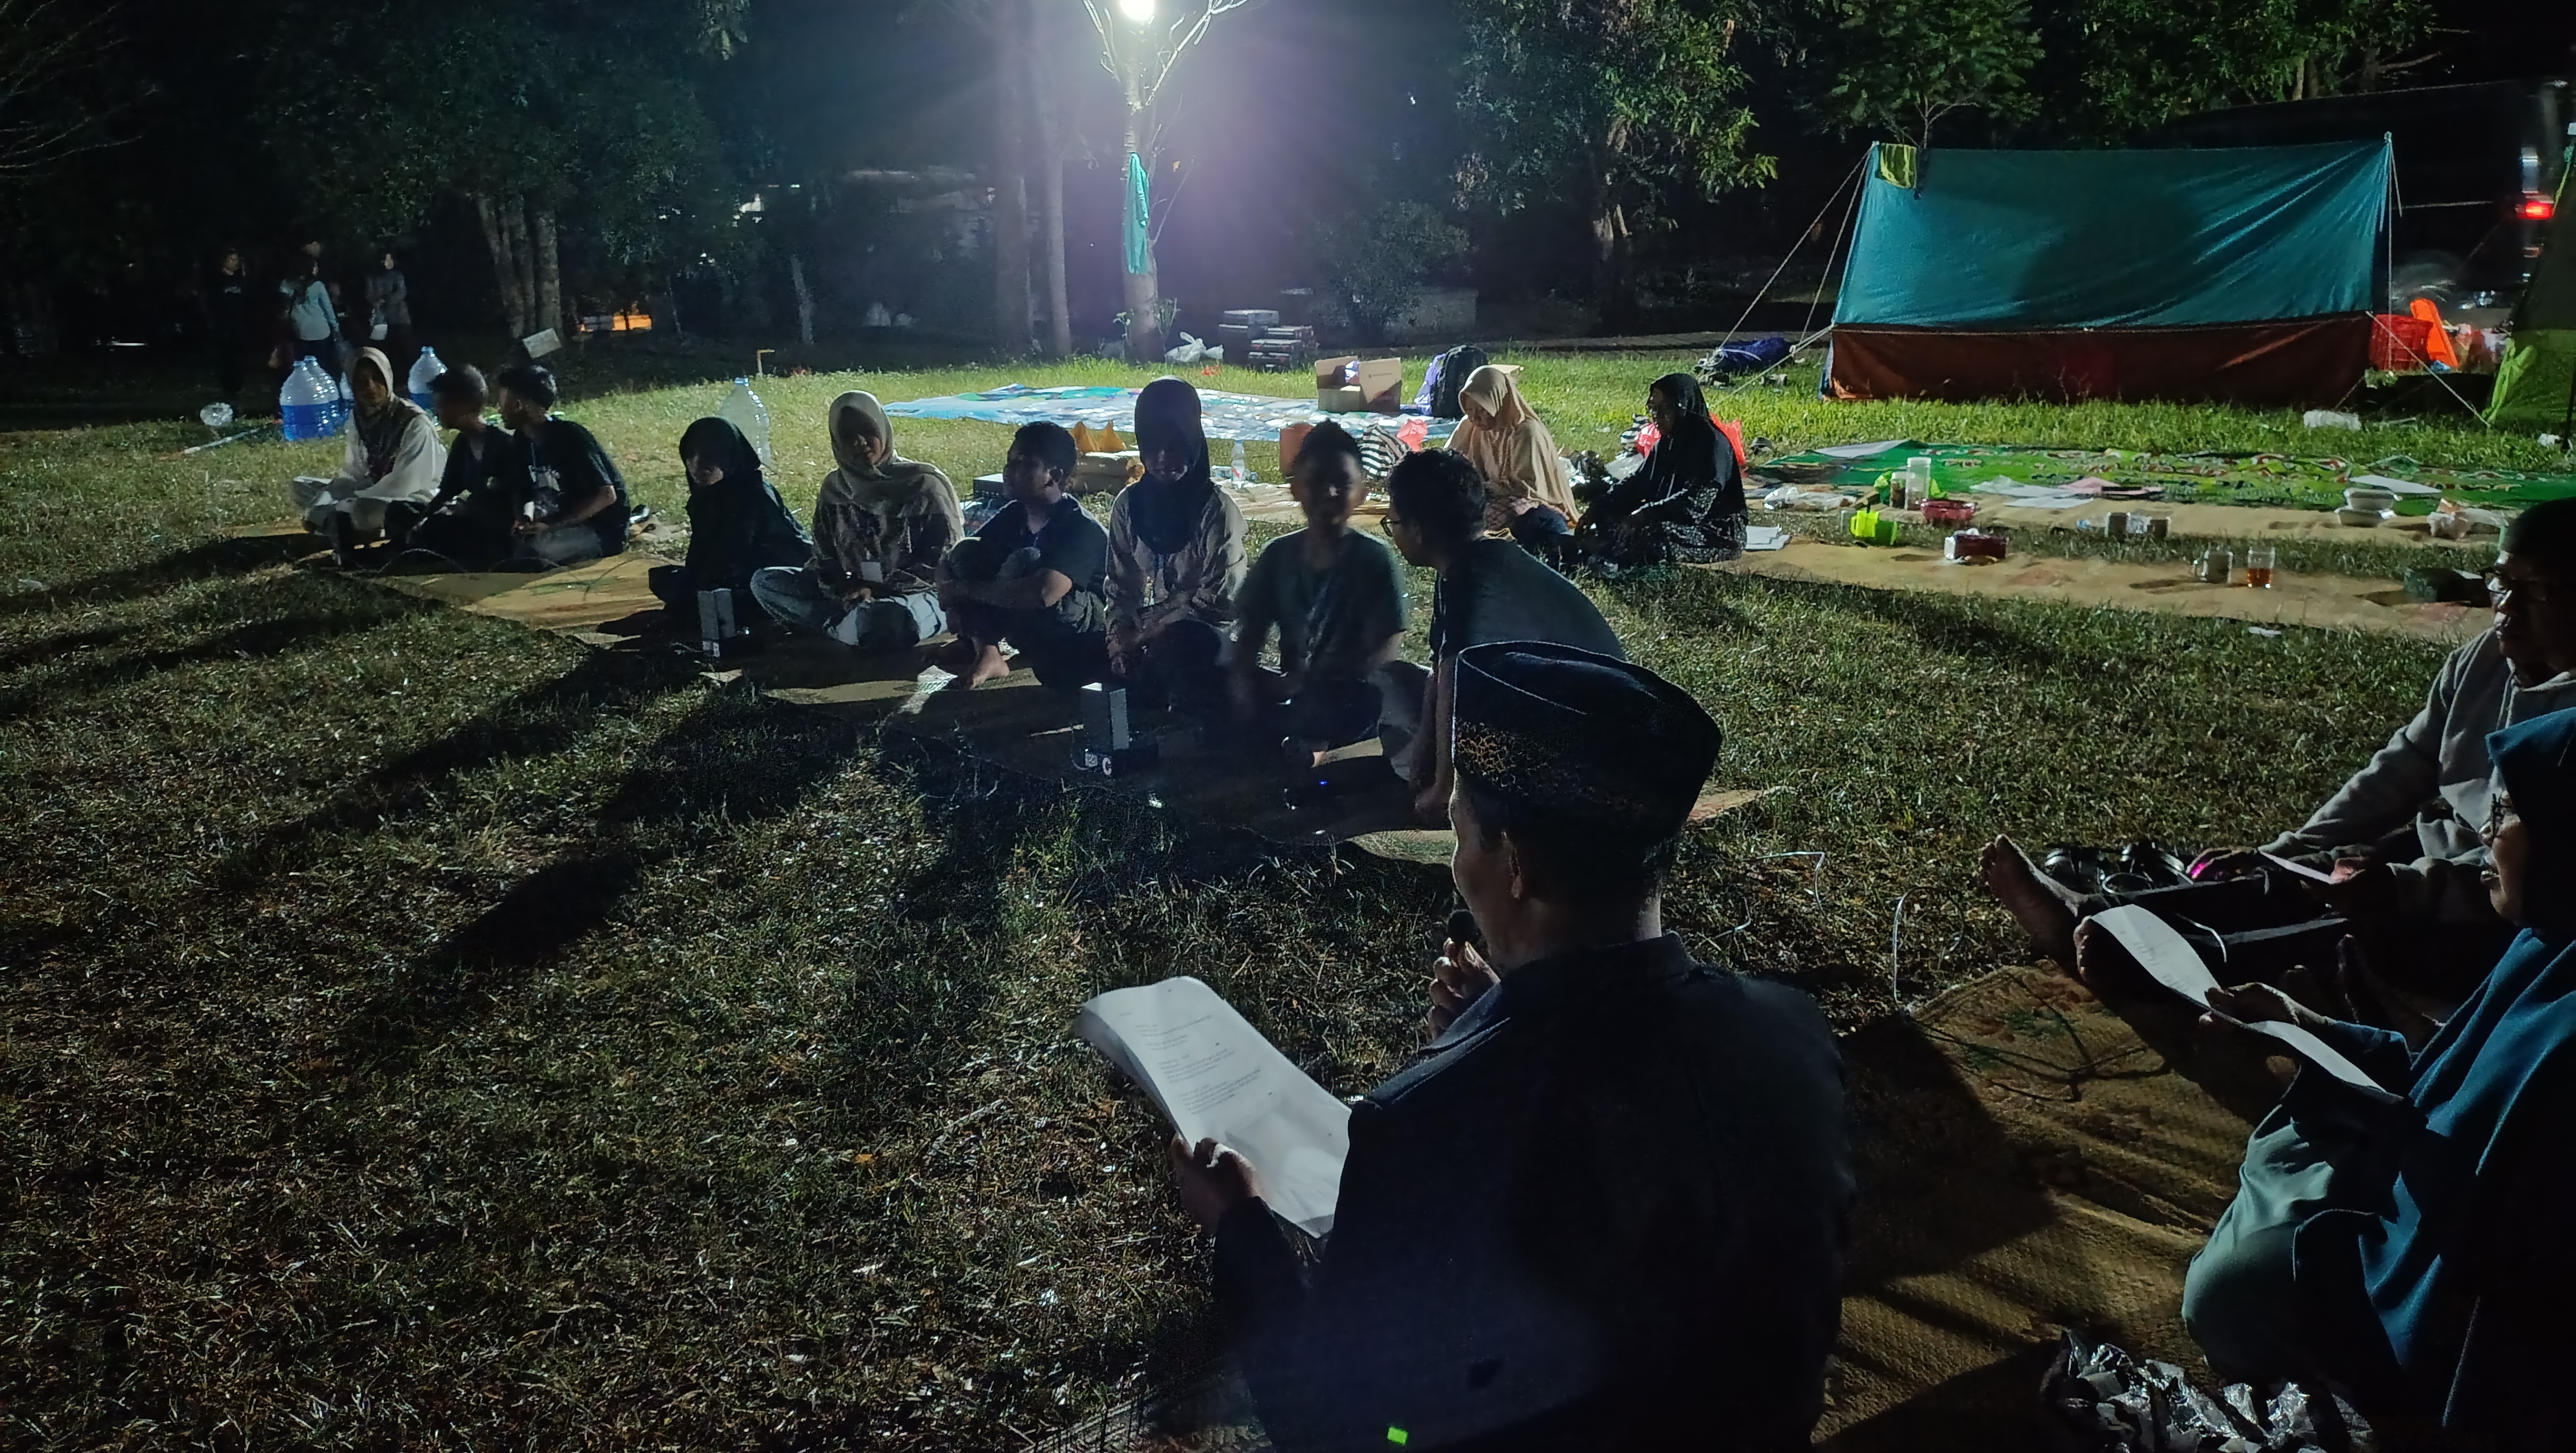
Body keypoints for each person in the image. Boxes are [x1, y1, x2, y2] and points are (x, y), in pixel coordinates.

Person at [1171, 641, 1852, 1453]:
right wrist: (1501, 1022)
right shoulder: (1790, 1031)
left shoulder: (1422, 1123)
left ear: (1516, 865)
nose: (1459, 864)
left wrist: (1240, 1225)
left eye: (1462, 833)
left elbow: (1334, 1424)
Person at [2177, 705, 2576, 1449]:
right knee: (2294, 1148)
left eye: (2507, 813)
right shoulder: (2548, 943)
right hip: (2422, 1200)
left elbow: (2509, 1279)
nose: (2485, 830)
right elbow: (2444, 1083)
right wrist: (2312, 1028)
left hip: (2441, 1290)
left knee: (2231, 1290)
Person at [1985, 498, 2576, 998]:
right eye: (2501, 582)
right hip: (2439, 859)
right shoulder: (2482, 660)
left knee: (2356, 932)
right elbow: (2404, 765)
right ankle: (2095, 916)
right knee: (2302, 878)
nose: (2506, 607)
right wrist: (2294, 850)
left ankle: (2172, 967)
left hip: (2507, 911)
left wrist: (2404, 886)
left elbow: (2540, 886)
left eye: (2536, 591)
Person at [1378, 448, 1625, 825]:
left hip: (1588, 747)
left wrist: (1444, 789)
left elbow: (1457, 682)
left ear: (1417, 530)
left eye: (1392, 522)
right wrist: (1421, 768)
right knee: (1395, 679)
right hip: (1561, 716)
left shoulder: (1474, 576)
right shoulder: (1468, 565)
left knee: (1419, 696)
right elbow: (1440, 673)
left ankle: (1477, 797)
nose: (1392, 532)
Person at [1227, 421, 1410, 759]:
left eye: (1342, 483)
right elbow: (1250, 631)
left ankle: (1313, 748)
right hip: (1294, 691)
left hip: (1350, 696)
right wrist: (1244, 683)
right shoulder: (1278, 555)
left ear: (1363, 492)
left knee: (1340, 706)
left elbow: (1384, 651)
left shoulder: (1374, 559)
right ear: (1295, 488)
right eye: (1316, 482)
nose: (1329, 493)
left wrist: (1313, 683)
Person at [751, 392, 962, 652]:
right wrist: (844, 589)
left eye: (868, 431)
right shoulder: (835, 489)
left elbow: (942, 563)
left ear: (883, 430)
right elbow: (824, 557)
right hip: (854, 594)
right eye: (848, 436)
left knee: (888, 617)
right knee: (765, 582)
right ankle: (850, 626)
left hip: (917, 595)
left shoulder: (923, 486)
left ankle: (845, 626)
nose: (860, 442)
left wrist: (877, 591)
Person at [1106, 377, 1247, 712]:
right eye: (1152, 446)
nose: (1162, 457)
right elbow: (1121, 586)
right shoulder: (1130, 506)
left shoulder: (1216, 510)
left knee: (1182, 647)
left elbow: (1219, 606)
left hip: (1209, 637)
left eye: (1175, 445)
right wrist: (1119, 638)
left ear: (1193, 441)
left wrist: (1144, 635)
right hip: (1152, 632)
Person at [936, 422, 1111, 690]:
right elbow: (956, 559)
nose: (1009, 471)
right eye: (1010, 461)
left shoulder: (1082, 527)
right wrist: (950, 594)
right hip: (1030, 618)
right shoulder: (1016, 513)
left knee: (1026, 562)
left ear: (1054, 476)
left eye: (1022, 463)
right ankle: (986, 650)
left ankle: (1040, 658)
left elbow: (1044, 594)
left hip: (1082, 637)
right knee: (967, 552)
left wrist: (963, 590)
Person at [287, 346, 445, 567]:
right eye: (361, 381)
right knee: (301, 486)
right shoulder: (359, 418)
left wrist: (345, 503)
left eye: (377, 378)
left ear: (388, 378)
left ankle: (344, 526)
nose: (370, 387)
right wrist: (328, 499)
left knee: (363, 510)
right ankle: (341, 524)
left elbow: (405, 483)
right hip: (372, 490)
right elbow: (355, 472)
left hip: (412, 498)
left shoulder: (414, 422)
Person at [1577, 372, 1746, 572]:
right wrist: (1598, 507)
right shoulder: (1667, 443)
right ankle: (1612, 547)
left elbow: (1694, 506)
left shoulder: (1712, 445)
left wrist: (1646, 514)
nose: (1656, 416)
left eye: (1664, 409)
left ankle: (1612, 550)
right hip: (1674, 521)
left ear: (1682, 408)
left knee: (1651, 532)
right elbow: (1637, 483)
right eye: (1652, 409)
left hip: (1716, 532)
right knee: (1610, 514)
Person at [650, 417, 811, 617]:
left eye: (709, 457)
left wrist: (710, 579)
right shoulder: (704, 498)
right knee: (666, 580)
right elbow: (702, 554)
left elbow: (753, 554)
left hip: (763, 576)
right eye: (691, 456)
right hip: (726, 575)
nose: (697, 465)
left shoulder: (755, 494)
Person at [493, 363, 630, 567]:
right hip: (559, 524)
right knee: (507, 547)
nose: (499, 408)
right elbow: (524, 490)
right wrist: (525, 519)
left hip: (600, 529)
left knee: (534, 554)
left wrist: (551, 526)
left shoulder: (571, 437)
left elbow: (606, 495)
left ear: (519, 405)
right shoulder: (522, 441)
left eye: (503, 401)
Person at [1449, 365, 1578, 553]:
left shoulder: (1525, 432)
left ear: (1497, 403)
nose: (1475, 417)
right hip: (1486, 493)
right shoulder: (1471, 425)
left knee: (1503, 515)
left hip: (1527, 501)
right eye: (1469, 410)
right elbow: (1448, 459)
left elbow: (1528, 488)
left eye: (1482, 410)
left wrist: (1483, 488)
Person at [406, 364, 518, 571]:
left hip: (496, 531)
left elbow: (508, 502)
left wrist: (462, 510)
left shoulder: (504, 445)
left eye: (440, 405)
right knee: (403, 513)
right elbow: (447, 491)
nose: (436, 411)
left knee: (444, 527)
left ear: (462, 405)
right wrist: (421, 519)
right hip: (471, 521)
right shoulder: (463, 444)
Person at [277, 241, 339, 369]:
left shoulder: (286, 285)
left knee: (304, 369)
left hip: (300, 332)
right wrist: (336, 328)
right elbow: (328, 310)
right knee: (323, 368)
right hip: (321, 332)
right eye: (315, 265)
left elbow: (284, 308)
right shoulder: (318, 286)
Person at [208, 247, 252, 399]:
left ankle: (238, 385)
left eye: (236, 259)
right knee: (226, 358)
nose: (235, 263)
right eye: (231, 259)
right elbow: (211, 302)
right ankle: (228, 386)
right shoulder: (217, 281)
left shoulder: (241, 280)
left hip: (240, 324)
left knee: (239, 357)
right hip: (224, 325)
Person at [365, 250, 413, 360]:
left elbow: (401, 293)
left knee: (404, 349)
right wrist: (376, 302)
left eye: (387, 260)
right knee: (385, 350)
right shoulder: (373, 277)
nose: (385, 263)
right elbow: (370, 295)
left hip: (399, 317)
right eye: (383, 260)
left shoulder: (398, 276)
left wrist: (385, 300)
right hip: (381, 319)